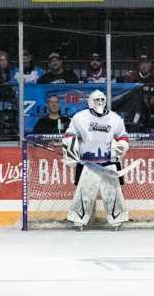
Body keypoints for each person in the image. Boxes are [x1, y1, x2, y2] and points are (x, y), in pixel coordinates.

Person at [52, 88, 132, 229]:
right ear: (90, 102)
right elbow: (69, 135)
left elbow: (123, 136)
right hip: (88, 163)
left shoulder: (115, 118)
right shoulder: (79, 117)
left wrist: (121, 147)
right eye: (97, 100)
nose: (100, 102)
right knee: (85, 193)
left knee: (112, 193)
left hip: (109, 162)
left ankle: (117, 218)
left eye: (102, 99)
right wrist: (71, 155)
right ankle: (79, 219)